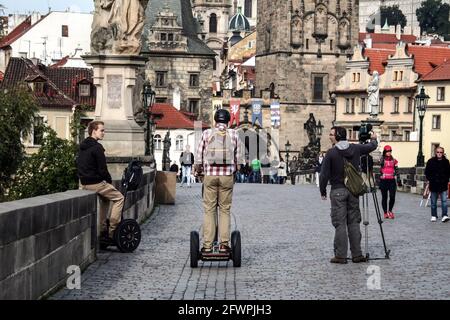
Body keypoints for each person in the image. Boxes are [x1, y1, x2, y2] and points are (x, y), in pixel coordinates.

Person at [319, 126, 378, 264]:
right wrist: (374, 139)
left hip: (338, 190)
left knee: (340, 224)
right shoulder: (355, 149)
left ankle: (341, 256)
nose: (330, 136)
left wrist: (322, 191)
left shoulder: (331, 153)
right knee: (354, 222)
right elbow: (371, 146)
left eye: (331, 134)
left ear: (338, 135)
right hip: (353, 190)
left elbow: (324, 175)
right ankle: (357, 255)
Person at [195, 109, 244, 254]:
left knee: (209, 210)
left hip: (210, 176)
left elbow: (198, 157)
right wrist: (234, 171)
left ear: (215, 121)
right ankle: (224, 244)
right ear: (228, 121)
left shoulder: (207, 133)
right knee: (224, 210)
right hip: (227, 177)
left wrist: (198, 172)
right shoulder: (234, 134)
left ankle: (208, 245)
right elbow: (240, 160)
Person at [77, 121, 124, 240]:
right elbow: (103, 170)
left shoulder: (82, 146)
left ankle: (102, 230)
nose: (104, 133)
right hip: (96, 183)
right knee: (119, 198)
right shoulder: (97, 148)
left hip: (84, 183)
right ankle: (112, 231)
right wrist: (109, 182)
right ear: (94, 131)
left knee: (106, 200)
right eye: (102, 130)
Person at [425, 146, 450, 222]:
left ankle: (445, 215)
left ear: (443, 153)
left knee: (444, 201)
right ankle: (434, 215)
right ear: (435, 153)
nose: (439, 153)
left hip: (443, 184)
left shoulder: (446, 162)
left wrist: (446, 180)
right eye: (438, 152)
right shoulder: (430, 161)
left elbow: (448, 172)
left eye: (441, 152)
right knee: (433, 202)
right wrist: (431, 179)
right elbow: (427, 172)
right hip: (434, 184)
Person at [379, 145, 399, 219]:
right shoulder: (382, 159)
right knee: (384, 197)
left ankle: (390, 211)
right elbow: (380, 164)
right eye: (387, 151)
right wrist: (382, 157)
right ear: (385, 152)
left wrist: (399, 179)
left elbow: (397, 170)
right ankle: (385, 212)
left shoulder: (394, 160)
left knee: (392, 196)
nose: (389, 153)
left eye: (390, 151)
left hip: (391, 180)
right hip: (384, 180)